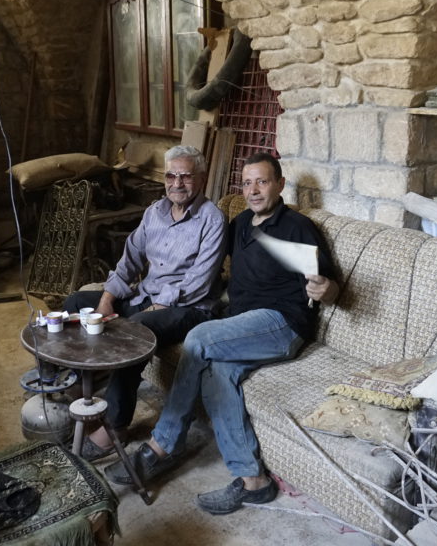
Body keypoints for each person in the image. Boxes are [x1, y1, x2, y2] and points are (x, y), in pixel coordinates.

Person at [104, 152, 339, 515]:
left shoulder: (297, 227)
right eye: (247, 183)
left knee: (198, 339)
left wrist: (327, 289)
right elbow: (200, 251)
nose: (253, 190)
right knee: (218, 375)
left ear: (280, 184)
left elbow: (328, 283)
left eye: (262, 181)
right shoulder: (242, 224)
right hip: (243, 324)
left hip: (282, 323)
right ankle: (254, 482)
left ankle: (163, 445)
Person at [63, 145, 226, 460]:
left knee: (134, 332)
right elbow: (129, 260)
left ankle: (115, 425)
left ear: (202, 179)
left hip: (190, 308)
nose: (177, 183)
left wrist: (154, 307)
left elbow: (199, 283)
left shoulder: (212, 220)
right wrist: (108, 299)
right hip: (147, 296)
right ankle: (77, 383)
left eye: (186, 176)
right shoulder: (155, 212)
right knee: (76, 301)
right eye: (171, 175)